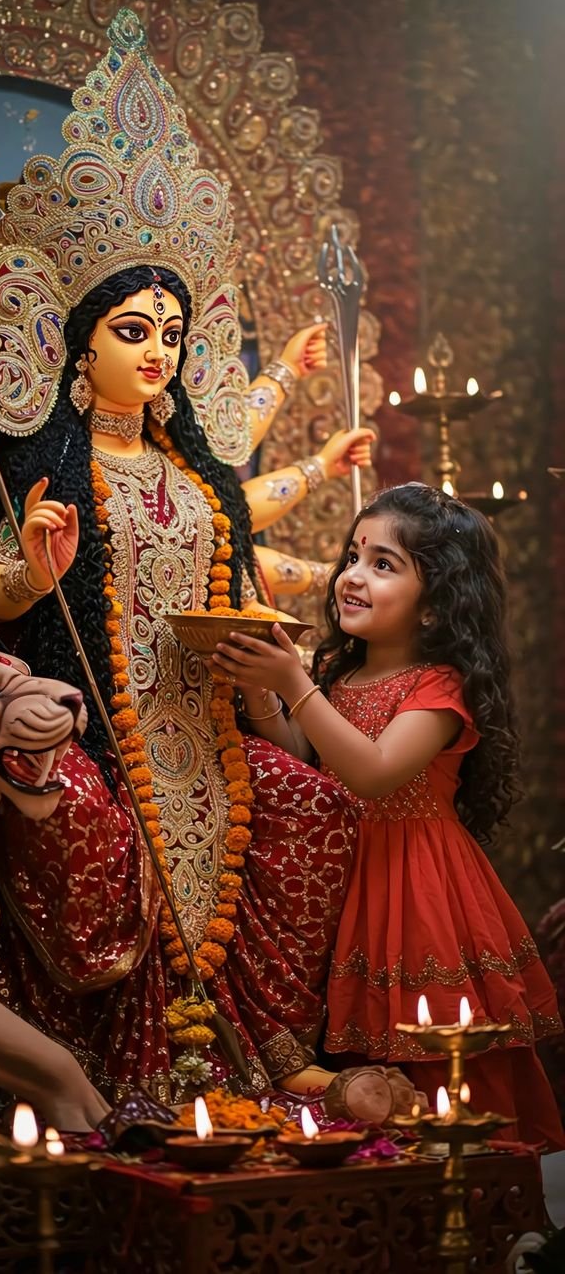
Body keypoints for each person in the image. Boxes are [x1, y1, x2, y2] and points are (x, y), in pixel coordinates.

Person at [0, 9, 371, 1103]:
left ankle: (265, 1052)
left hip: (203, 735)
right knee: (76, 819)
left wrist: (271, 654)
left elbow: (249, 580)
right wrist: (35, 563)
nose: (159, 351)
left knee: (317, 806)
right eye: (134, 331)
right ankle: (96, 1079)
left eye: (172, 333)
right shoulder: (44, 463)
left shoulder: (196, 480)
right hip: (83, 717)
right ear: (79, 348)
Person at [212, 482, 564, 1148]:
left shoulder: (439, 686)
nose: (352, 576)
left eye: (383, 564)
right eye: (353, 555)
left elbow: (373, 774)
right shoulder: (337, 678)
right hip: (341, 884)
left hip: (418, 888)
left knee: (433, 1054)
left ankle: (469, 1198)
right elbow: (315, 770)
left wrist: (294, 685)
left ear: (436, 606)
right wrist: (263, 693)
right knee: (361, 1079)